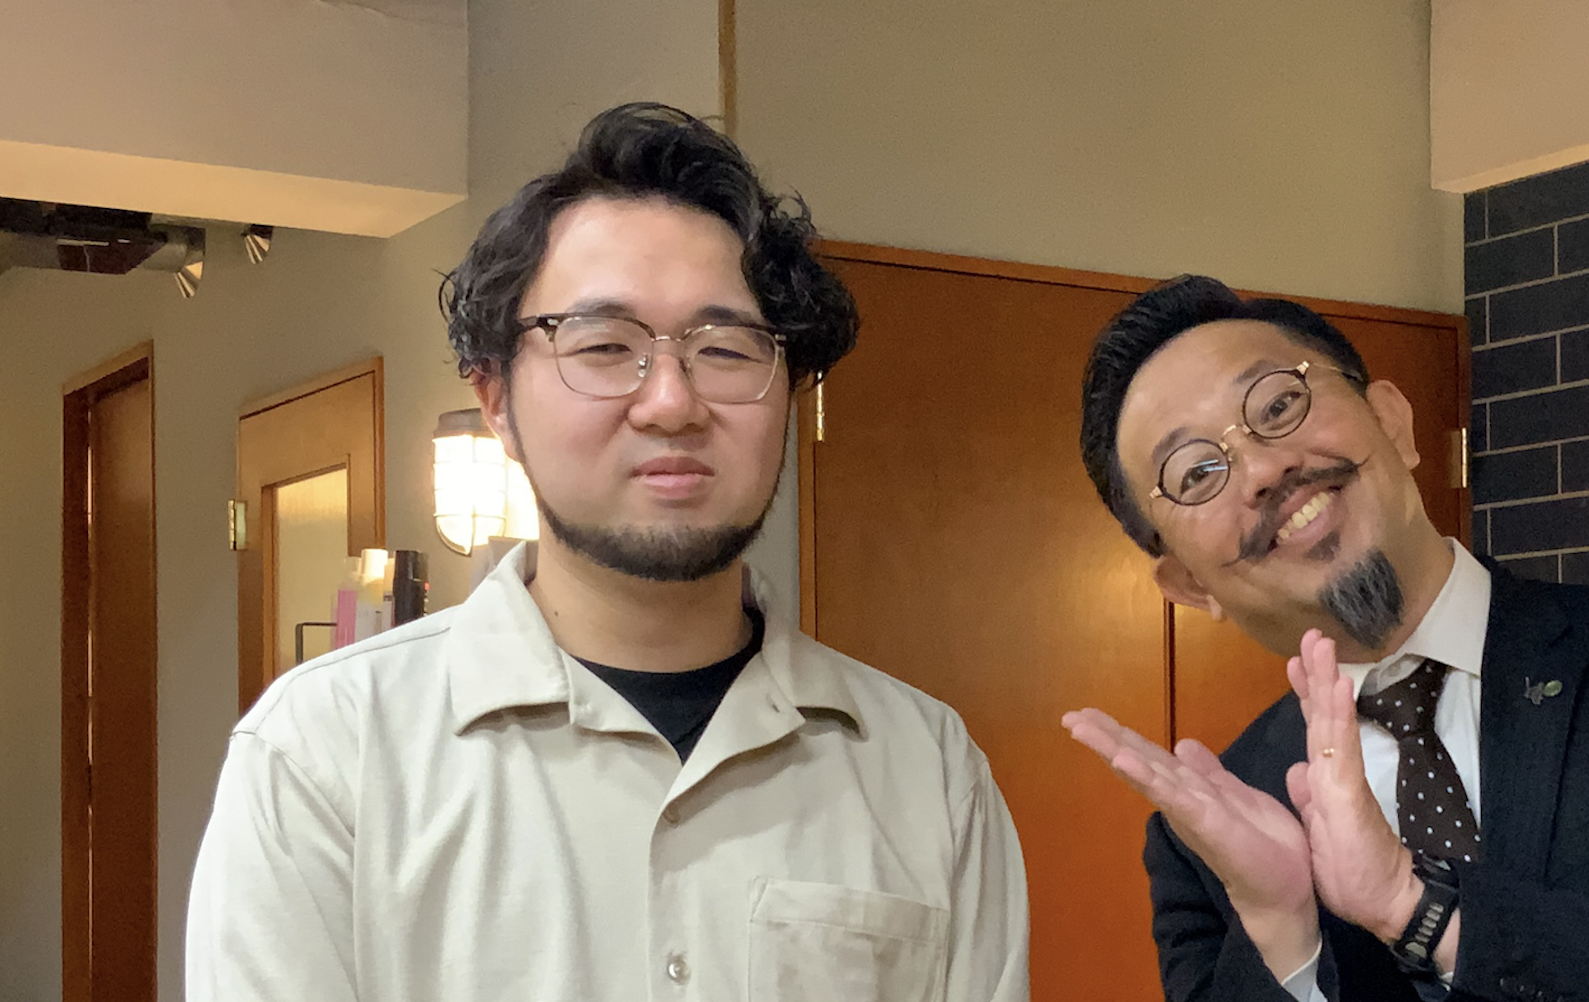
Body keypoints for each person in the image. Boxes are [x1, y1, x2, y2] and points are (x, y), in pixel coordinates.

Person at [187, 103, 1029, 1002]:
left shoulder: (926, 767)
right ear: (497, 400)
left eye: (726, 349)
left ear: (790, 389)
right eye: (603, 346)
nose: (670, 402)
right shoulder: (327, 751)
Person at [1061, 276, 1589, 1002]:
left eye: (1277, 406)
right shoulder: (1205, 843)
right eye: (1198, 472)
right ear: (1189, 585)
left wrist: (1418, 908)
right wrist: (1283, 937)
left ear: (1394, 421)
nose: (1263, 470)